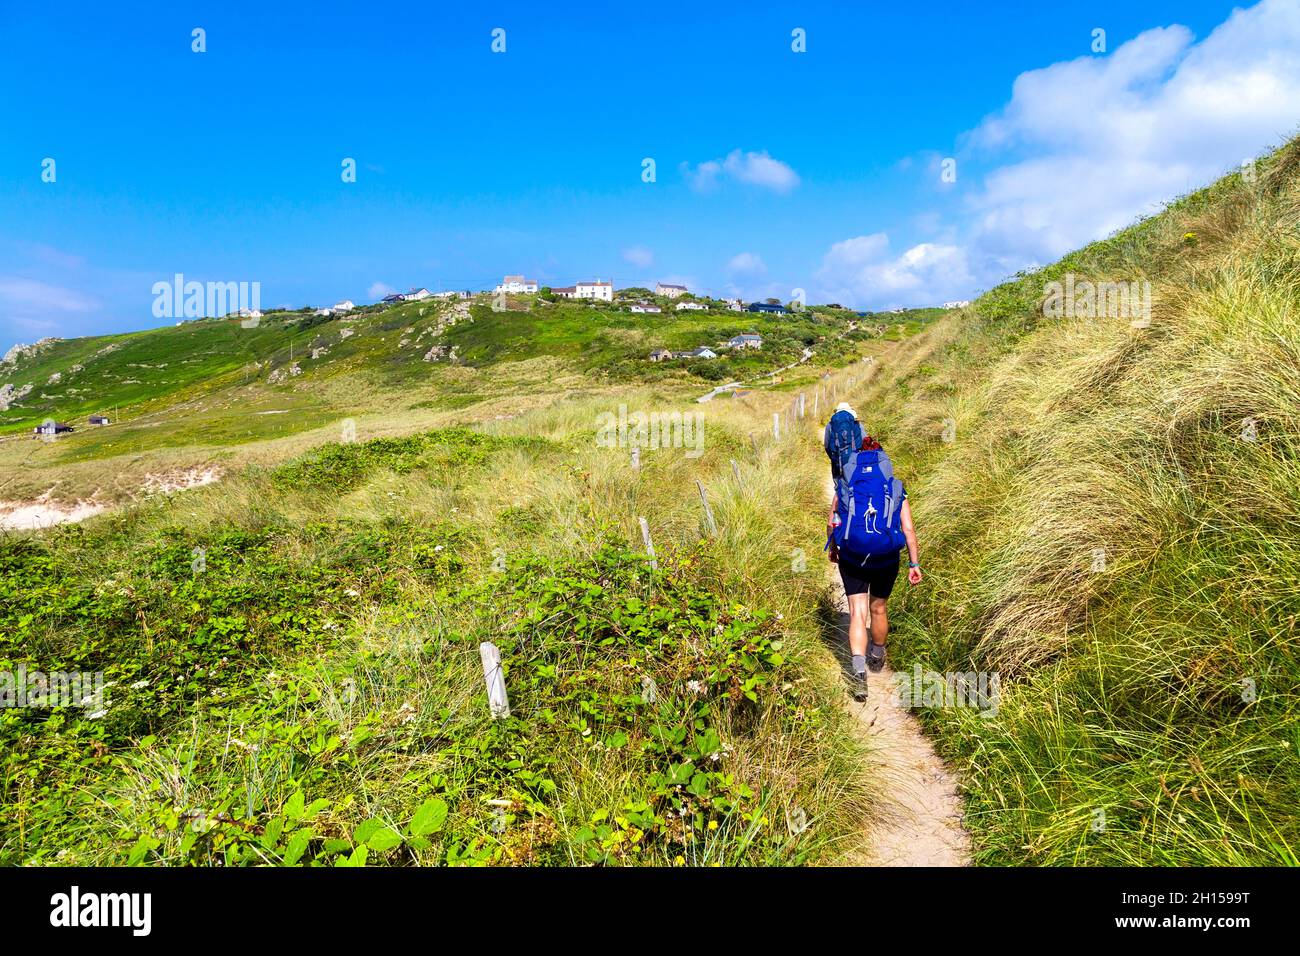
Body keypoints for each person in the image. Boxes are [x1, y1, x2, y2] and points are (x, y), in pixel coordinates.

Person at [824, 406, 922, 701]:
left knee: (857, 613)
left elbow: (833, 521)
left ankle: (857, 670)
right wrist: (914, 562)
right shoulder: (894, 487)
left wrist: (834, 546)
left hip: (853, 555)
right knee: (878, 608)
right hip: (886, 558)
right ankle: (877, 655)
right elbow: (908, 529)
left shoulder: (846, 485)